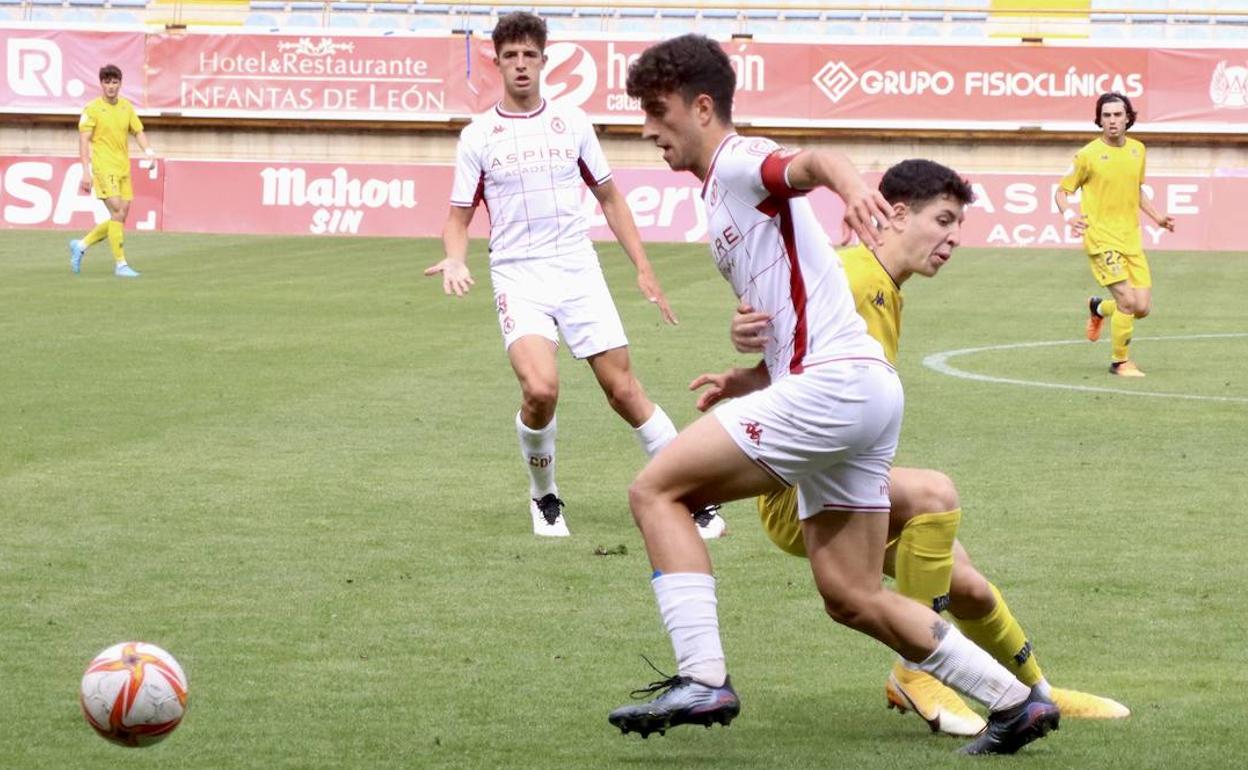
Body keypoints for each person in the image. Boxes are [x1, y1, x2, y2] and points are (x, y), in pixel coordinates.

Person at [610, 35, 1058, 755]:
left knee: (655, 492)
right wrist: (749, 377)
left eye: (657, 112)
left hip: (835, 390)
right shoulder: (720, 195)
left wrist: (848, 185)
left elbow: (812, 161)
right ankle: (1014, 703)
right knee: (851, 595)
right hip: (858, 391)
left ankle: (703, 676)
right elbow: (798, 310)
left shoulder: (736, 159)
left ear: (701, 107)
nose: (647, 129)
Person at [712, 159, 1128, 738]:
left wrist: (749, 373)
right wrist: (749, 336)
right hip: (801, 489)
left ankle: (1038, 689)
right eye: (943, 220)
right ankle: (915, 672)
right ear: (897, 214)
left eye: (958, 225)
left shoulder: (884, 286)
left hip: (843, 481)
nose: (953, 238)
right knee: (933, 495)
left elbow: (802, 360)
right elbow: (781, 325)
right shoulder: (852, 275)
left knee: (970, 587)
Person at [423, 13, 726, 539]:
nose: (521, 64)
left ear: (544, 59)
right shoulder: (478, 135)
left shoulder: (572, 121)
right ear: (497, 63)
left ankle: (692, 497)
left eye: (529, 55)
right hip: (518, 275)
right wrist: (455, 257)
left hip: (577, 270)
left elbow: (609, 196)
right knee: (540, 390)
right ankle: (544, 496)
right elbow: (458, 216)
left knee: (624, 391)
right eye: (511, 56)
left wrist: (644, 267)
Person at [1055, 92, 1175, 378]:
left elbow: (1135, 189)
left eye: (1117, 115)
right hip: (1101, 238)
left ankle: (1098, 307)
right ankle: (1120, 362)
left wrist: (1157, 217)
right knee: (1128, 302)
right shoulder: (1087, 156)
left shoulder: (1138, 150)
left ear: (1128, 118)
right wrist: (1070, 216)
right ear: (1099, 119)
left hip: (1130, 238)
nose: (1112, 121)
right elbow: (1062, 191)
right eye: (1106, 115)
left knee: (1141, 307)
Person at [69, 64, 154, 279]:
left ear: (120, 84)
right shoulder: (92, 109)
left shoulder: (126, 108)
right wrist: (86, 172)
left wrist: (149, 151)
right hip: (103, 167)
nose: (111, 86)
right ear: (101, 84)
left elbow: (138, 131)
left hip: (123, 168)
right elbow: (84, 141)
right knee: (117, 211)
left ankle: (81, 244)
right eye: (107, 82)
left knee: (121, 215)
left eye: (114, 82)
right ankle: (120, 264)